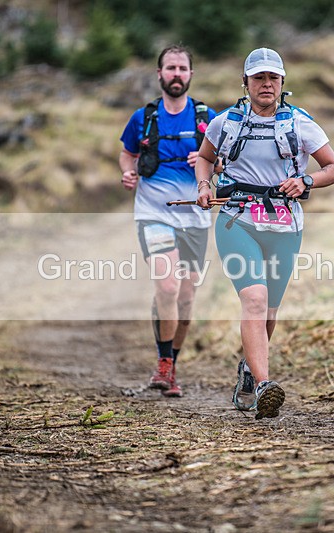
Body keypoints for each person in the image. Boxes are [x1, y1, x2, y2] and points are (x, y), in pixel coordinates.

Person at [194, 48, 334, 419]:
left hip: (285, 226)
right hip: (236, 220)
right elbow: (205, 159)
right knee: (255, 301)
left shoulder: (301, 124)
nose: (266, 84)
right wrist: (202, 185)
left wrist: (306, 180)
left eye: (272, 78)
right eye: (258, 78)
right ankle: (264, 386)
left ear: (282, 83)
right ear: (245, 83)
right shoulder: (224, 122)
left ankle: (248, 371)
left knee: (270, 314)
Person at [119, 44, 216, 398]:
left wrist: (207, 162)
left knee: (186, 298)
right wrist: (129, 173)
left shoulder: (209, 119)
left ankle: (171, 362)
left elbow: (226, 162)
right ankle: (164, 367)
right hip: (153, 214)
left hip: (195, 219)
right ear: (159, 74)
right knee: (168, 287)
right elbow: (127, 153)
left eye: (182, 68)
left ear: (191, 75)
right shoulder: (143, 117)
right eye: (170, 68)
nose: (176, 74)